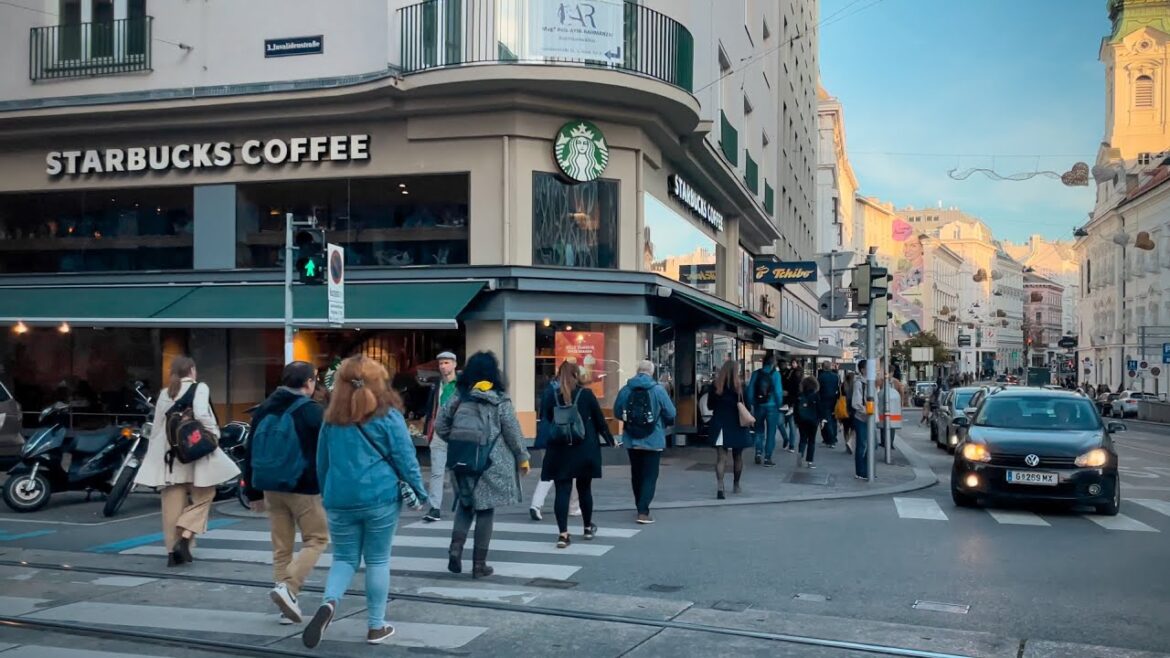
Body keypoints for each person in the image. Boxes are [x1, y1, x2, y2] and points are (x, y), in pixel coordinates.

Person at [303, 355, 428, 648]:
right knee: (378, 560)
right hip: (380, 497)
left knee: (344, 559)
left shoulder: (331, 418)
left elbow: (322, 462)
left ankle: (329, 603)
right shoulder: (388, 415)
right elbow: (405, 457)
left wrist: (327, 492)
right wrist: (420, 492)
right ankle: (376, 626)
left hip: (340, 498)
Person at [242, 361, 328, 626]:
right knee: (317, 539)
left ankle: (286, 608)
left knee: (282, 548)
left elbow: (251, 450)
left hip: (270, 487)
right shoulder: (312, 411)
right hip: (303, 487)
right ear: (308, 383)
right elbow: (328, 449)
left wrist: (253, 492)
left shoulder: (264, 408)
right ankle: (289, 589)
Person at [135, 356, 240, 567]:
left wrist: (152, 456)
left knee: (171, 507)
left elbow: (156, 427)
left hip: (170, 457)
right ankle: (185, 535)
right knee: (205, 495)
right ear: (192, 370)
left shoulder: (166, 392)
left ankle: (172, 553)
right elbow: (202, 413)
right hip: (194, 453)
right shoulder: (199, 387)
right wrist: (213, 434)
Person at [434, 351, 530, 579]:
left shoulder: (459, 395)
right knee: (485, 510)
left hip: (461, 459)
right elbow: (513, 432)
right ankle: (479, 565)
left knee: (465, 506)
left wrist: (457, 441)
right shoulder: (499, 399)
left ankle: (455, 549)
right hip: (489, 463)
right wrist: (522, 456)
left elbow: (440, 424)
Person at [539, 361, 615, 548]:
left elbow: (547, 417)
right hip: (584, 447)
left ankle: (563, 534)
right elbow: (599, 421)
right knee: (584, 489)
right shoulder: (586, 394)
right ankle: (587, 527)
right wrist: (610, 440)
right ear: (577, 375)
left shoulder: (551, 395)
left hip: (559, 448)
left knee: (562, 491)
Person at [614, 360, 676, 524]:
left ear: (637, 371)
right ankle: (643, 510)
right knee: (650, 475)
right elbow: (671, 412)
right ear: (652, 372)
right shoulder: (658, 390)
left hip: (631, 438)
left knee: (636, 473)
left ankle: (639, 505)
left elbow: (617, 412)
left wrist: (631, 421)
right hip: (653, 438)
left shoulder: (626, 389)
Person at [530, 365, 582, 521]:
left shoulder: (549, 390)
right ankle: (573, 506)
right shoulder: (576, 391)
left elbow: (545, 412)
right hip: (569, 437)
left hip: (551, 436)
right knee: (572, 472)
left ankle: (536, 504)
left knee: (549, 471)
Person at [706, 360, 752, 499]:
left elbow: (710, 406)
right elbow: (748, 406)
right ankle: (736, 485)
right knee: (738, 457)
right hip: (738, 424)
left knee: (721, 458)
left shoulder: (715, 386)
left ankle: (720, 486)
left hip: (720, 424)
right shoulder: (741, 387)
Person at [422, 351, 459, 523]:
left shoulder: (461, 386)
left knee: (457, 470)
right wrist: (426, 428)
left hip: (457, 433)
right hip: (438, 432)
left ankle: (463, 502)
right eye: (441, 363)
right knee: (437, 472)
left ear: (454, 364)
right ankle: (434, 507)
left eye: (446, 363)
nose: (443, 366)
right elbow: (431, 407)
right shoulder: (436, 385)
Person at [746, 352, 783, 466]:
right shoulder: (776, 374)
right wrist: (779, 403)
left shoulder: (756, 373)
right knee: (771, 433)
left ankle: (758, 452)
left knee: (759, 431)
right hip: (772, 407)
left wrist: (752, 403)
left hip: (759, 406)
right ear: (773, 363)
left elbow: (750, 391)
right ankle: (767, 458)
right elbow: (778, 392)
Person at [794, 375, 825, 468]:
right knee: (811, 441)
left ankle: (800, 453)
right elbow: (819, 409)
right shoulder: (815, 396)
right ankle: (810, 461)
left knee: (803, 439)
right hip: (813, 421)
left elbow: (796, 409)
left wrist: (796, 421)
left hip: (802, 421)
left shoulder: (799, 396)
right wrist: (821, 420)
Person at [851, 360, 870, 479]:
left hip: (869, 418)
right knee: (862, 445)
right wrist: (867, 410)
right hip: (862, 418)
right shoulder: (859, 383)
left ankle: (867, 469)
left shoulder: (870, 382)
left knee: (872, 445)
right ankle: (861, 471)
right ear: (863, 369)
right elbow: (856, 403)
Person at [876, 375, 904, 450]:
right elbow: (901, 391)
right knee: (891, 426)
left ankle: (884, 442)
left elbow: (877, 388)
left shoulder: (881, 380)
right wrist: (901, 401)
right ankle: (890, 443)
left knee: (883, 424)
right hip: (893, 406)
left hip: (884, 404)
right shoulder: (896, 382)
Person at [816, 362, 840, 447]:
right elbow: (838, 388)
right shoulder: (835, 376)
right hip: (834, 399)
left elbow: (817, 389)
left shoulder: (820, 377)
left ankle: (830, 439)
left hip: (824, 400)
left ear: (823, 367)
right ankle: (834, 436)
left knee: (826, 419)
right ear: (830, 367)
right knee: (833, 419)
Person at [781, 359, 803, 452]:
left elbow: (795, 388)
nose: (792, 364)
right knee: (788, 424)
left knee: (791, 424)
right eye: (792, 362)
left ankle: (791, 444)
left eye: (794, 362)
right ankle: (790, 443)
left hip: (791, 400)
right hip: (789, 400)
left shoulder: (796, 373)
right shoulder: (791, 372)